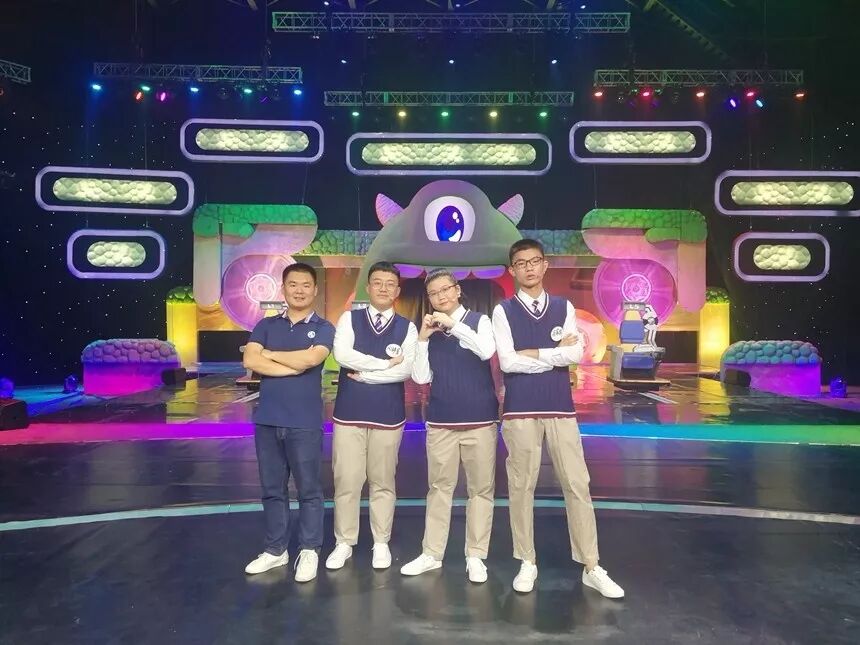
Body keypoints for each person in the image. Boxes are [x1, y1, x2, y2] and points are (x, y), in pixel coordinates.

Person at [491, 239, 624, 598]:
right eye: (521, 263)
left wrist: (535, 353)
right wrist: (554, 355)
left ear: (545, 265)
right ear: (512, 270)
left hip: (560, 408)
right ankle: (526, 560)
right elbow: (508, 362)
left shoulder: (564, 307)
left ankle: (591, 565)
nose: (529, 268)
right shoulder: (503, 311)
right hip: (520, 410)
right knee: (521, 486)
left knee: (577, 484)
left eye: (535, 261)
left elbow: (575, 354)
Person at [400, 268, 498, 583]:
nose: (440, 296)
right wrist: (422, 339)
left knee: (480, 490)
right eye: (434, 293)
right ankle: (431, 554)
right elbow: (421, 378)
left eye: (445, 290)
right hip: (441, 421)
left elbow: (485, 350)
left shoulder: (480, 321)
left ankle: (476, 556)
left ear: (457, 290)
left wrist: (453, 325)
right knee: (439, 489)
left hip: (480, 419)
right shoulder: (430, 330)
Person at [242, 263, 335, 583]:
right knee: (272, 490)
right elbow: (250, 360)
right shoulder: (266, 325)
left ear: (315, 290)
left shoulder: (324, 327)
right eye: (293, 284)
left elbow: (311, 359)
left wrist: (270, 355)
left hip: (304, 422)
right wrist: (291, 365)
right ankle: (275, 550)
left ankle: (309, 549)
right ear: (283, 289)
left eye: (306, 285)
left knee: (309, 490)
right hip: (268, 420)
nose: (299, 290)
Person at [325, 262, 418, 571]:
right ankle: (344, 542)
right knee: (346, 481)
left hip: (388, 417)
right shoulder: (349, 319)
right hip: (349, 415)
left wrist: (366, 376)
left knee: (383, 482)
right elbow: (343, 355)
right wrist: (384, 365)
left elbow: (406, 371)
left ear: (397, 290)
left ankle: (381, 542)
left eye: (389, 284)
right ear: (368, 286)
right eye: (377, 282)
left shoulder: (407, 327)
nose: (383, 288)